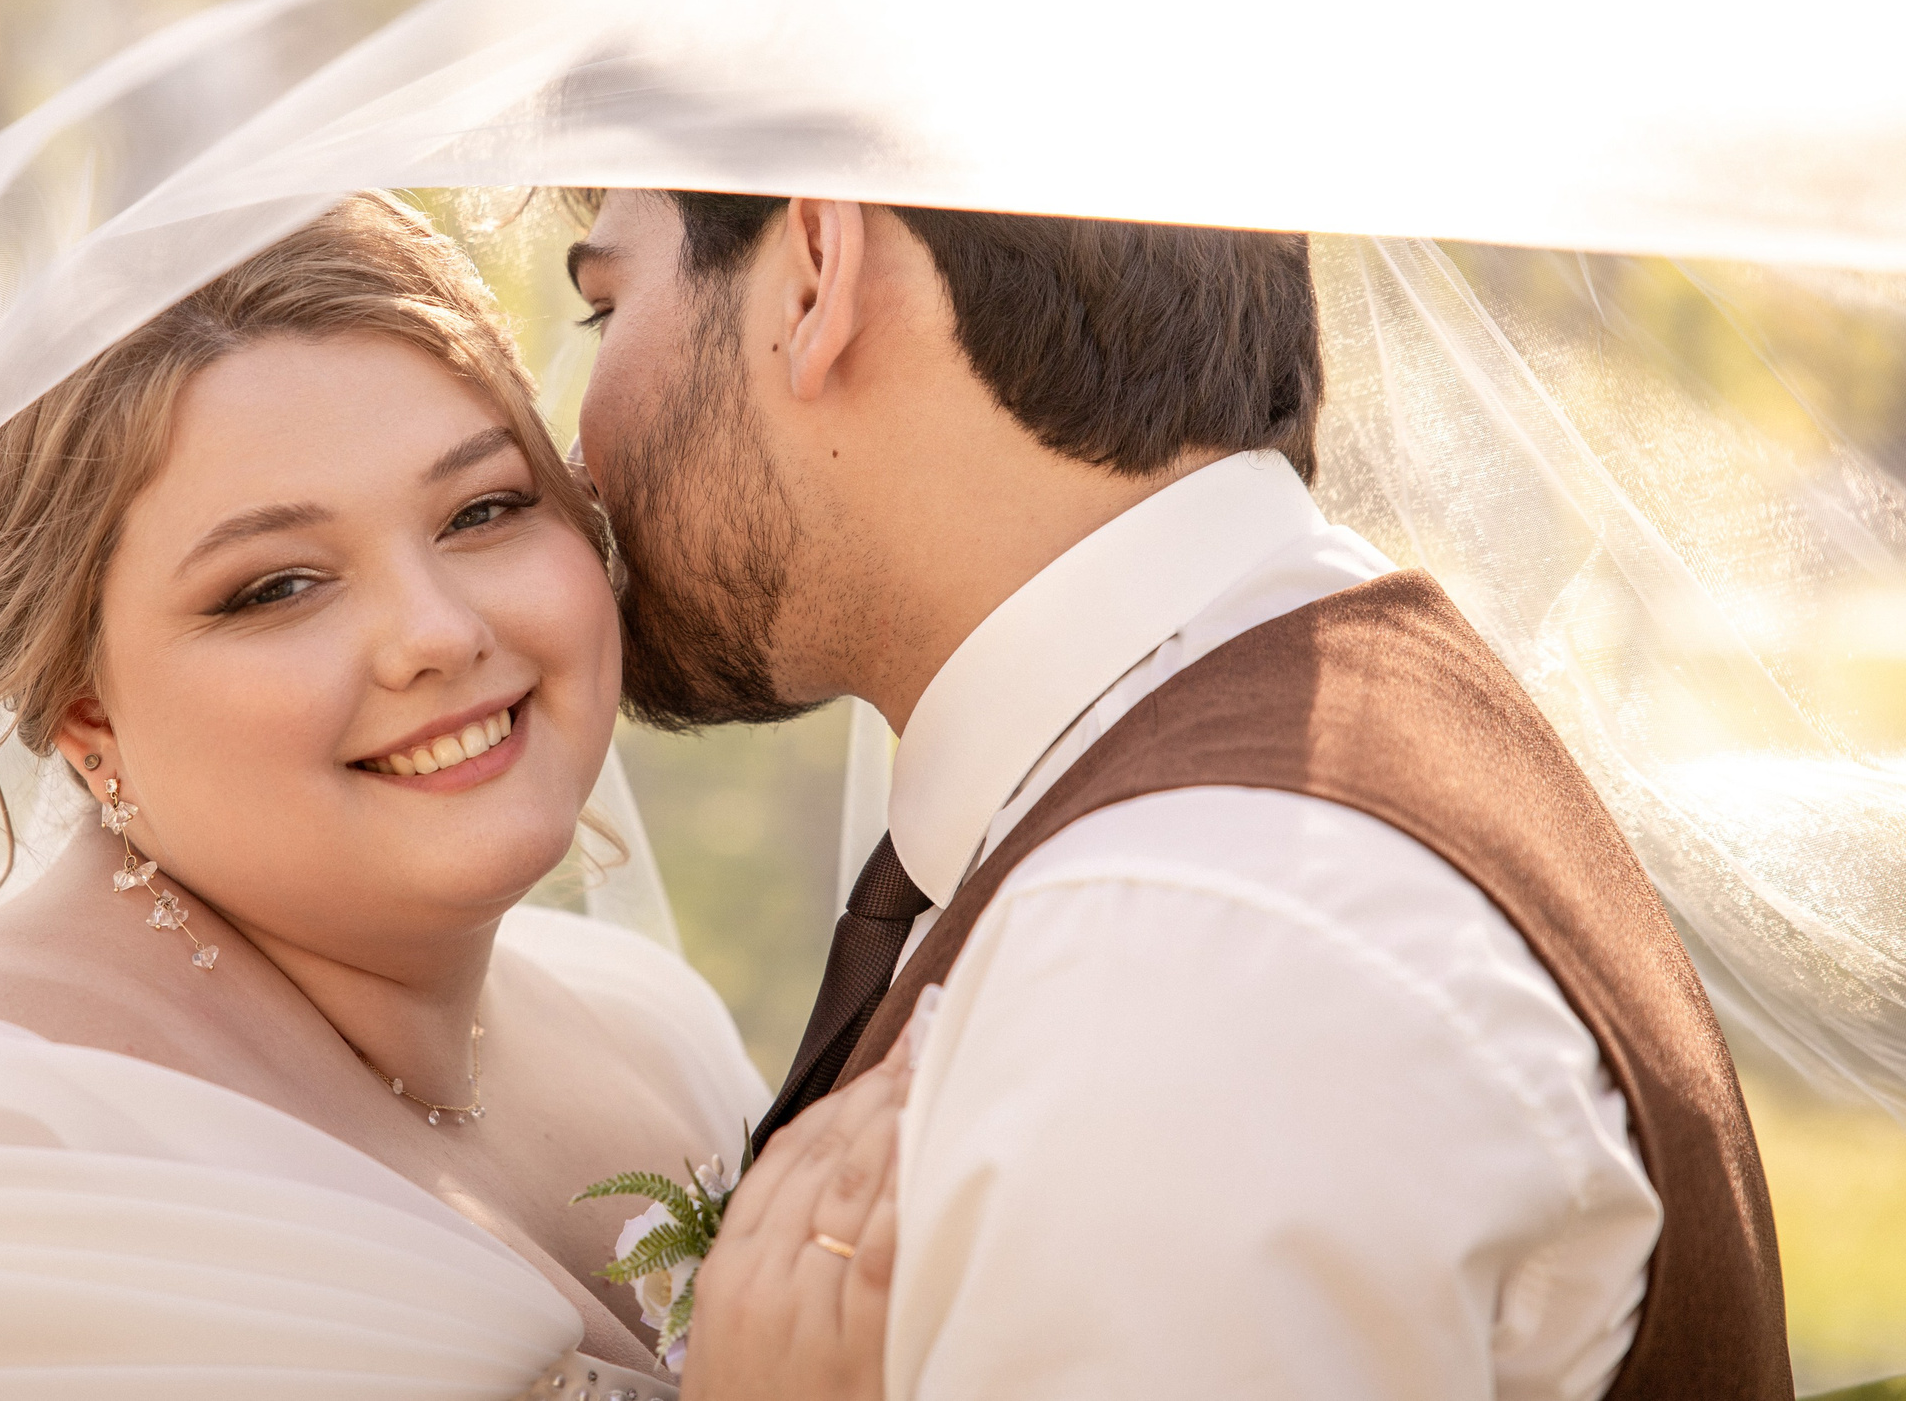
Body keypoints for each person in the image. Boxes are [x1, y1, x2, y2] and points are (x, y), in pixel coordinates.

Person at [0, 193, 901, 1401]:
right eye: (276, 585)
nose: (433, 632)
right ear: (86, 713)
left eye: (484, 508)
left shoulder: (646, 1024)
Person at [572, 191, 1791, 1400]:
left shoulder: (1180, 940)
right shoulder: (1283, 729)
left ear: (812, 274)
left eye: (603, 308)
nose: (572, 455)